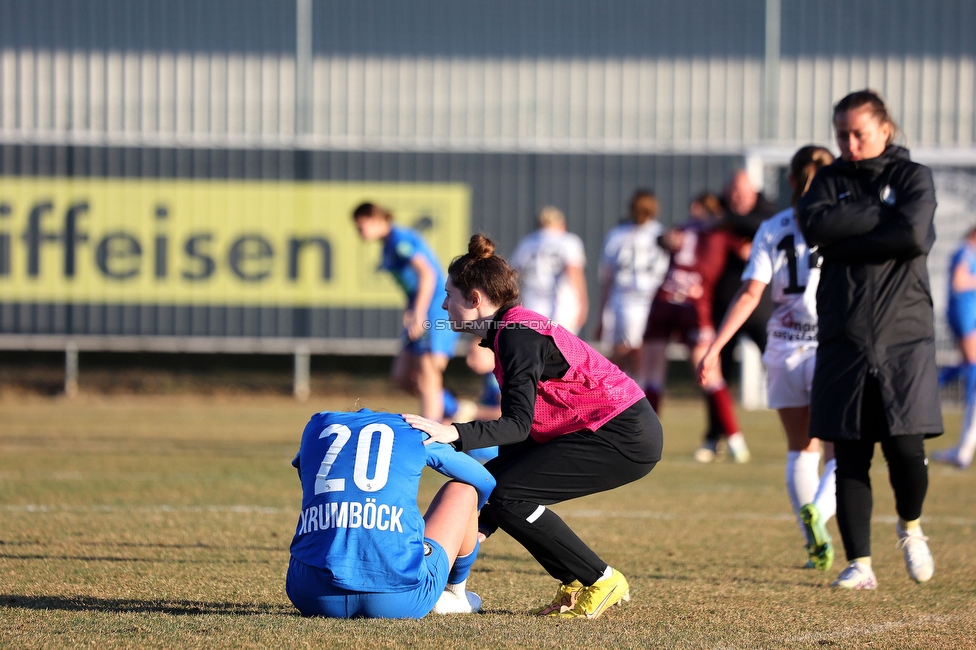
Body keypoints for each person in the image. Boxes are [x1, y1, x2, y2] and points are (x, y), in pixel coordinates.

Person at [404, 234, 663, 619]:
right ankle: (575, 584)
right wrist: (483, 519)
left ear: (475, 299)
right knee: (493, 486)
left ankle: (601, 579)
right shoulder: (510, 330)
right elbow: (524, 434)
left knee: (507, 495)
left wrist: (454, 433)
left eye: (449, 295)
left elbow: (517, 425)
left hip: (621, 433)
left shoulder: (516, 336)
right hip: (600, 427)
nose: (442, 305)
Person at [797, 90, 942, 590]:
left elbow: (914, 237)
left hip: (905, 337)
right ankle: (859, 564)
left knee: (905, 446)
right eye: (842, 134)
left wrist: (846, 238)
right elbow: (813, 223)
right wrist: (881, 221)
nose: (850, 143)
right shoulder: (830, 179)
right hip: (844, 335)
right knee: (851, 453)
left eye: (859, 133)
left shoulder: (912, 177)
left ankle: (911, 526)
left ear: (886, 129)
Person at [698, 146, 837, 570]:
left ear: (791, 182)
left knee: (800, 450)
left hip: (784, 346)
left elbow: (751, 293)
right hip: (832, 346)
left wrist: (716, 347)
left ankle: (809, 538)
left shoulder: (773, 226)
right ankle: (821, 513)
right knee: (842, 453)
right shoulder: (843, 225)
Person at [286, 408, 495, 618]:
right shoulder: (413, 430)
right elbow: (484, 480)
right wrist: (467, 525)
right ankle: (455, 593)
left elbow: (302, 468)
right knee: (464, 490)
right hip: (400, 599)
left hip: (309, 595)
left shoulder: (317, 426)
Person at [641, 193, 752, 463]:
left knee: (653, 375)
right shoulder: (722, 233)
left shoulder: (684, 228)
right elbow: (750, 252)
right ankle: (736, 441)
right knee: (709, 373)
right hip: (695, 303)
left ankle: (644, 439)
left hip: (666, 298)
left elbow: (664, 239)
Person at [352, 203, 460, 422]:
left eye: (361, 226)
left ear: (375, 220)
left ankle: (432, 433)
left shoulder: (400, 240)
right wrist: (411, 310)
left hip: (435, 309)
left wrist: (419, 313)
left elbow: (427, 275)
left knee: (428, 373)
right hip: (421, 309)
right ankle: (453, 409)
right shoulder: (388, 245)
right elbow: (411, 285)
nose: (359, 232)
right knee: (403, 376)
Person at [595, 190, 671, 377]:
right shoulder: (657, 233)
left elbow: (607, 277)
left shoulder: (623, 235)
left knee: (629, 351)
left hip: (638, 299)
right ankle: (628, 391)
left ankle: (628, 391)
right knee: (631, 351)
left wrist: (602, 314)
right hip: (631, 298)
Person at [712, 171, 778, 380]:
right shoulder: (715, 211)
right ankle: (721, 412)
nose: (739, 199)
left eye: (744, 194)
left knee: (775, 364)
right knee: (720, 369)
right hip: (725, 304)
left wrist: (728, 222)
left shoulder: (768, 217)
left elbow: (761, 225)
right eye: (735, 194)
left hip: (759, 306)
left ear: (754, 193)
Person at [932, 225, 976, 469]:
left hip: (967, 315)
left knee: (969, 366)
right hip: (963, 316)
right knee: (973, 367)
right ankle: (965, 447)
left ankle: (965, 446)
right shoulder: (965, 252)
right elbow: (959, 282)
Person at [508, 206, 588, 334]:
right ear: (562, 223)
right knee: (562, 350)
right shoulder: (568, 241)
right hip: (563, 307)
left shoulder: (527, 242)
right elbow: (574, 272)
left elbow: (511, 274)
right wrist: (583, 304)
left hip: (532, 306)